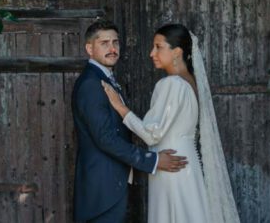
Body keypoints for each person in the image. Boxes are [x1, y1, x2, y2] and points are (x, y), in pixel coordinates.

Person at [102, 23, 241, 223]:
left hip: (171, 164)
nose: (152, 53)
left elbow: (152, 134)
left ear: (176, 52)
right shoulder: (191, 82)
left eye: (158, 47)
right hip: (187, 162)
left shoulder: (172, 84)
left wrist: (120, 107)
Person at [73, 19, 188, 223]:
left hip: (111, 187)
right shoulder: (91, 84)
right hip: (102, 193)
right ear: (89, 48)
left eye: (115, 42)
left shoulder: (106, 79)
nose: (112, 48)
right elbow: (105, 138)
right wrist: (152, 160)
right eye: (104, 43)